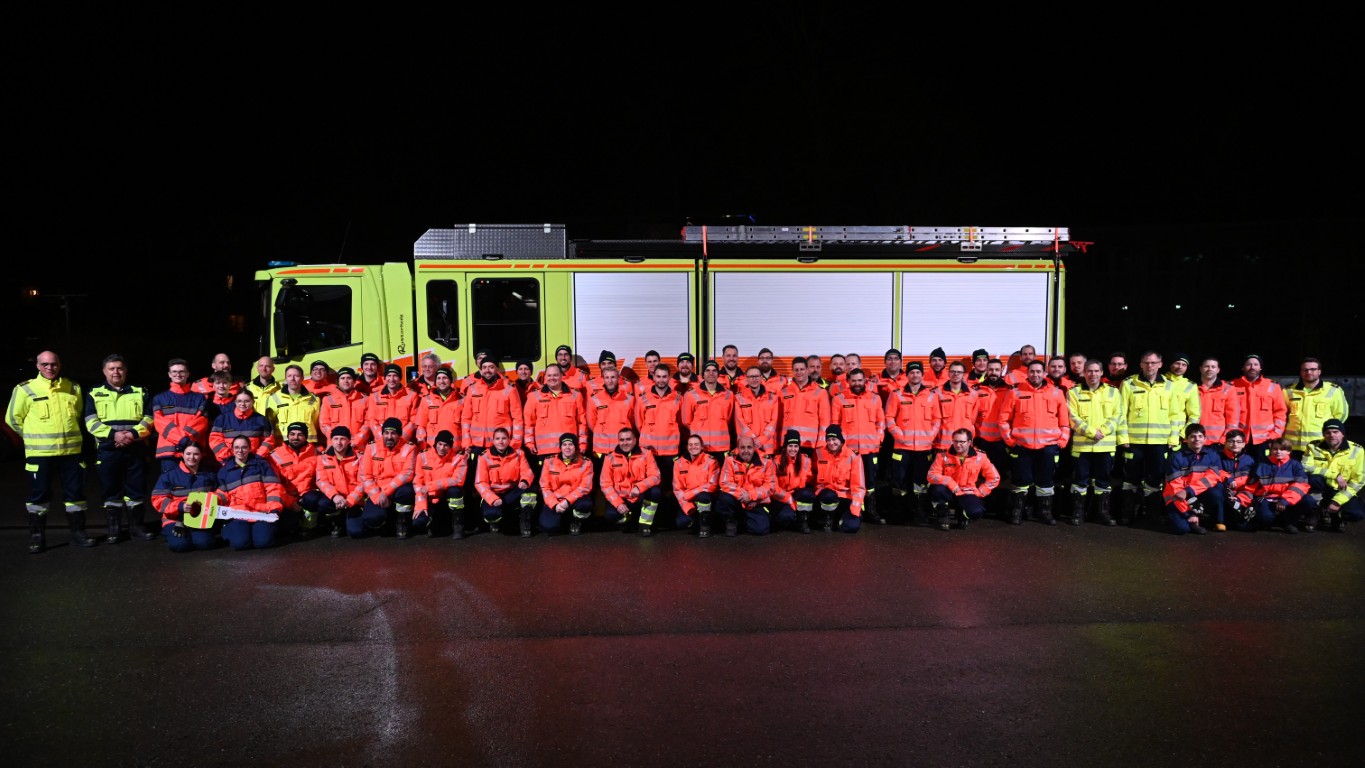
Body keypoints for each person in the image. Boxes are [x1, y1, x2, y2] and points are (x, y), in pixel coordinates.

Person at [8, 350, 95, 552]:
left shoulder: (73, 387)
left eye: (53, 364)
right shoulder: (25, 389)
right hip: (40, 455)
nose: (50, 368)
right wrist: (32, 436)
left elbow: (78, 413)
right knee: (39, 496)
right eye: (45, 364)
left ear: (60, 365)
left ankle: (78, 534)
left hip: (71, 453)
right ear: (37, 366)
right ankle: (37, 538)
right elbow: (13, 420)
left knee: (76, 495)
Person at [83, 352, 156, 544]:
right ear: (104, 371)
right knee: (110, 491)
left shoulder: (140, 391)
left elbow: (149, 418)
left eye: (120, 368)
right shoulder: (94, 392)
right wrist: (114, 435)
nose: (116, 372)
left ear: (126, 371)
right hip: (108, 450)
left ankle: (137, 527)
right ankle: (114, 530)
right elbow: (90, 422)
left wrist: (131, 434)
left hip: (136, 449)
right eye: (112, 368)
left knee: (136, 490)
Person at [1000, 360, 1071, 525]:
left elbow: (1064, 422)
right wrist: (1010, 441)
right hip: (1022, 446)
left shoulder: (1056, 393)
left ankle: (1044, 513)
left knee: (1045, 481)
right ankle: (1017, 512)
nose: (1035, 374)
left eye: (1039, 371)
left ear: (1045, 373)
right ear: (1027, 373)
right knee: (1020, 481)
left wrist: (1062, 442)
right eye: (1032, 371)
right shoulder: (1015, 392)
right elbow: (1003, 420)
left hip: (1048, 447)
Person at [1116, 351, 1180, 526]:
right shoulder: (1129, 383)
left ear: (1160, 364)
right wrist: (1123, 437)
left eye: (1153, 363)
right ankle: (1128, 515)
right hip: (1134, 443)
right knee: (1130, 480)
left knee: (1155, 480)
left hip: (1159, 443)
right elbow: (1120, 413)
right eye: (1146, 363)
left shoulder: (1169, 385)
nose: (1150, 366)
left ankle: (1151, 515)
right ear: (1141, 364)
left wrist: (1174, 438)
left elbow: (1176, 415)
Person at [883, 360, 941, 523]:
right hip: (902, 447)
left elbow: (937, 419)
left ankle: (919, 513)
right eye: (911, 372)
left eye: (918, 372)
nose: (915, 375)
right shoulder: (897, 394)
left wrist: (931, 436)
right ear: (906, 375)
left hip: (924, 448)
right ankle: (899, 513)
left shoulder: (931, 395)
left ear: (922, 375)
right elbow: (889, 417)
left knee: (920, 482)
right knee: (898, 481)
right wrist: (898, 435)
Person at [1066, 359, 1121, 526]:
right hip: (1082, 446)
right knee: (1080, 481)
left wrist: (1102, 431)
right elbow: (1072, 417)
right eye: (1089, 371)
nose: (1093, 374)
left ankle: (1102, 513)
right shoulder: (1074, 392)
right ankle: (1078, 513)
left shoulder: (1113, 392)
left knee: (1103, 482)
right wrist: (1091, 432)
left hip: (1105, 446)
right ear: (1084, 373)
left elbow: (1117, 415)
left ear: (1102, 373)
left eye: (1096, 371)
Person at [830, 367, 886, 524]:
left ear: (865, 381)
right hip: (849, 451)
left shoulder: (875, 398)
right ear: (848, 382)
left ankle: (871, 511)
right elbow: (835, 425)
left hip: (870, 449)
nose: (857, 383)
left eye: (860, 380)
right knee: (851, 483)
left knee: (870, 483)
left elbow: (880, 422)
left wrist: (878, 439)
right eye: (853, 380)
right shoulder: (839, 399)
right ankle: (855, 512)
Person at [217, 435, 286, 550]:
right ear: (232, 449)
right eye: (237, 447)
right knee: (240, 543)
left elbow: (274, 488)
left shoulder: (261, 465)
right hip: (238, 513)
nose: (240, 450)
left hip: (261, 512)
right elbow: (222, 494)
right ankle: (228, 528)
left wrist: (274, 509)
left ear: (250, 448)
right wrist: (211, 500)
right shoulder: (224, 471)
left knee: (263, 543)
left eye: (244, 447)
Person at [926, 428, 1001, 530]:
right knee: (937, 489)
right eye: (955, 441)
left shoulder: (980, 457)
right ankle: (943, 514)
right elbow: (931, 475)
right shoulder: (942, 456)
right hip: (948, 491)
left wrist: (980, 492)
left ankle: (962, 514)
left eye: (962, 441)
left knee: (976, 512)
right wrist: (949, 481)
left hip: (967, 492)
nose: (958, 444)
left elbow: (994, 478)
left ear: (969, 442)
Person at [637, 363, 684, 523]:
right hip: (650, 454)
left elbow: (682, 422)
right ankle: (650, 520)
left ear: (669, 378)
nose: (661, 380)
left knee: (669, 487)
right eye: (658, 376)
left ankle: (667, 519)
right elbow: (638, 422)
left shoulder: (678, 398)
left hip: (670, 453)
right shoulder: (643, 398)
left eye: (665, 377)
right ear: (654, 377)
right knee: (651, 488)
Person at [523, 363, 588, 478]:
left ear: (561, 376)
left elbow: (581, 422)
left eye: (555, 375)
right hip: (544, 450)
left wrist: (582, 443)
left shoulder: (575, 396)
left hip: (568, 449)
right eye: (549, 375)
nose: (552, 378)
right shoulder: (534, 396)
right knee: (546, 483)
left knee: (568, 481)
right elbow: (529, 422)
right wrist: (529, 442)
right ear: (545, 377)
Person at [152, 443, 220, 552]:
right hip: (175, 517)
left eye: (196, 454)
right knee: (180, 546)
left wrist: (206, 501)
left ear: (201, 455)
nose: (192, 457)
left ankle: (193, 532)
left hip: (200, 516)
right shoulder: (169, 476)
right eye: (188, 454)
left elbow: (219, 494)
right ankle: (168, 531)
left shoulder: (209, 475)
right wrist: (180, 507)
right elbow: (158, 499)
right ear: (182, 455)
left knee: (204, 544)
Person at [359, 417, 419, 538]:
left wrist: (386, 492)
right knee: (372, 519)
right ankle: (388, 520)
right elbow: (366, 476)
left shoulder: (410, 448)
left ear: (400, 435)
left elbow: (407, 473)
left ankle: (402, 522)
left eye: (393, 433)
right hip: (378, 491)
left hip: (397, 489)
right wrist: (377, 496)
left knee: (406, 491)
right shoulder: (371, 448)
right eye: (386, 433)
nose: (389, 436)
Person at [475, 425, 538, 537]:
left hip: (513, 492)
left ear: (509, 440)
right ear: (493, 441)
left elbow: (527, 471)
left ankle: (525, 524)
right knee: (492, 514)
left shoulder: (518, 453)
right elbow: (480, 483)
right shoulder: (484, 457)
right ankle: (496, 522)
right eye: (498, 438)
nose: (501, 442)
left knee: (530, 492)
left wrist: (524, 481)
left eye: (504, 438)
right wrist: (493, 499)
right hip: (494, 494)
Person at [1244, 437, 1316, 534]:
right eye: (1275, 449)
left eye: (1282, 449)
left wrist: (1285, 500)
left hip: (1287, 500)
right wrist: (1245, 501)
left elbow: (1301, 485)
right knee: (1265, 518)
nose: (1278, 452)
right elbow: (1251, 486)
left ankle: (1287, 522)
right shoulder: (1262, 464)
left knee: (1309, 501)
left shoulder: (1295, 465)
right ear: (1271, 450)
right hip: (1267, 497)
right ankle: (1279, 521)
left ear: (1289, 451)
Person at [599, 426, 662, 535]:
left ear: (634, 440)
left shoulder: (646, 454)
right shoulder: (610, 458)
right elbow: (605, 484)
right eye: (621, 440)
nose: (625, 443)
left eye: (628, 439)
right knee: (610, 515)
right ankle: (628, 521)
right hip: (622, 499)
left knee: (655, 492)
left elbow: (655, 476)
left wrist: (639, 487)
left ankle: (644, 525)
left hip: (639, 497)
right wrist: (618, 503)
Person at [1303, 418, 1362, 532]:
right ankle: (1314, 511)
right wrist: (1334, 475)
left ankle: (1337, 515)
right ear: (1324, 434)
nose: (1331, 435)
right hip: (1321, 487)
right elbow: (1305, 466)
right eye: (1327, 432)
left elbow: (1358, 481)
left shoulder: (1357, 450)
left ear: (1343, 434)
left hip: (1341, 489)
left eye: (1336, 432)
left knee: (1356, 513)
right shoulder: (1313, 446)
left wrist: (1337, 501)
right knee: (1313, 479)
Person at [152, 358, 210, 473]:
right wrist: (183, 440)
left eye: (182, 371)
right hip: (169, 453)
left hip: (193, 453)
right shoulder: (159, 398)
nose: (178, 374)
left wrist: (185, 442)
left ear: (188, 374)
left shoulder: (199, 398)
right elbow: (159, 423)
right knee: (171, 489)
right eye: (174, 371)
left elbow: (202, 422)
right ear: (169, 374)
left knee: (195, 488)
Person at [1161, 424, 1221, 535]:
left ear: (1205, 439)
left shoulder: (1212, 455)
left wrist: (1189, 491)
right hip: (1176, 497)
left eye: (1200, 436)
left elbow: (1212, 478)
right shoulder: (1176, 457)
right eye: (1193, 436)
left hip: (1194, 493)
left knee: (1217, 493)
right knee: (1181, 529)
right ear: (1186, 439)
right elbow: (1176, 490)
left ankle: (1202, 517)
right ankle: (1182, 517)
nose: (1197, 439)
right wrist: (1189, 513)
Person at [972, 358, 1012, 520]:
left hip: (1001, 441)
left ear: (1001, 370)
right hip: (982, 441)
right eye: (991, 369)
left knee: (1001, 475)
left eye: (997, 369)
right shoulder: (976, 390)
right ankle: (983, 506)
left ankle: (1001, 508)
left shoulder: (1010, 390)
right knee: (981, 475)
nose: (993, 372)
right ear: (986, 371)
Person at [461, 355, 524, 459]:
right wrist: (467, 443)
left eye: (491, 367)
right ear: (480, 370)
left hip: (500, 445)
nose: (487, 370)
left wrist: (515, 444)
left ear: (497, 369)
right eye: (484, 367)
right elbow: (466, 418)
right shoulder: (472, 389)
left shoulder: (509, 388)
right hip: (477, 445)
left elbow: (517, 419)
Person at [1284, 357, 1349, 456]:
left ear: (1319, 371)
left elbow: (1341, 416)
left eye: (1313, 369)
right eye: (1305, 370)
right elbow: (1281, 416)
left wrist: (1331, 435)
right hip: (1292, 446)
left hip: (1320, 445)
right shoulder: (1287, 391)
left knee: (1317, 471)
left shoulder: (1333, 390)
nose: (1309, 372)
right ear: (1301, 372)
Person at [269, 422, 324, 536]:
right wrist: (289, 502)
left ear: (305, 436)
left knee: (313, 499)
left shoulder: (316, 452)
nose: (295, 437)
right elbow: (275, 484)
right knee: (288, 527)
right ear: (288, 436)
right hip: (287, 497)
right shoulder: (275, 455)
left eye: (300, 435)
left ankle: (309, 526)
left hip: (307, 494)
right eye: (292, 434)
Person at [716, 435, 777, 536]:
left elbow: (771, 485)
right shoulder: (730, 459)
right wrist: (745, 496)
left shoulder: (766, 461)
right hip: (738, 499)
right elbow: (725, 482)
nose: (746, 451)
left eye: (749, 447)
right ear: (738, 448)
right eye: (742, 447)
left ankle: (744, 521)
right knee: (724, 499)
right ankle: (732, 521)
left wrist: (751, 496)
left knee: (760, 530)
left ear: (754, 448)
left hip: (756, 501)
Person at [414, 429, 469, 538]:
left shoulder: (459, 459)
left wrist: (431, 486)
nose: (442, 448)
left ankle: (458, 526)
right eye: (439, 444)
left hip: (445, 498)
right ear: (435, 443)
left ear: (451, 446)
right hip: (429, 499)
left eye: (446, 445)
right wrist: (421, 505)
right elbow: (417, 482)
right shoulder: (422, 457)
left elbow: (457, 480)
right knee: (418, 523)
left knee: (455, 491)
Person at [1232, 354, 1286, 463]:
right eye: (1249, 364)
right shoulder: (1232, 385)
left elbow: (1280, 412)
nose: (1252, 367)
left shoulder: (1273, 386)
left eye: (1256, 364)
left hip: (1265, 440)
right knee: (1241, 470)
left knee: (1263, 470)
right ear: (1243, 368)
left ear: (1260, 367)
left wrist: (1275, 435)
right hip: (1240, 439)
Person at [537, 432, 595, 536]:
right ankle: (563, 520)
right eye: (564, 444)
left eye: (570, 444)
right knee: (549, 527)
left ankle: (576, 521)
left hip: (575, 500)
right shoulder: (549, 461)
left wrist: (567, 501)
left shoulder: (587, 462)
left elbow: (585, 487)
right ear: (560, 447)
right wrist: (554, 505)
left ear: (576, 446)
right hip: (556, 500)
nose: (567, 447)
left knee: (585, 505)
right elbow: (544, 486)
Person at [587, 367, 635, 486]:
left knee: (622, 481)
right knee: (602, 482)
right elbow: (591, 423)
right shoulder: (594, 399)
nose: (610, 380)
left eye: (613, 377)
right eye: (607, 377)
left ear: (618, 379)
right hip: (601, 451)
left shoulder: (629, 399)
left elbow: (633, 421)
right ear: (603, 379)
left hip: (622, 448)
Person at [315, 426, 365, 539]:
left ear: (349, 441)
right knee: (323, 503)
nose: (339, 442)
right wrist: (334, 496)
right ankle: (336, 522)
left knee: (356, 532)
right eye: (336, 439)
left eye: (342, 439)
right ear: (331, 440)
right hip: (336, 499)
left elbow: (362, 482)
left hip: (354, 501)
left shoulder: (360, 458)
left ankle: (350, 517)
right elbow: (321, 481)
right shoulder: (323, 458)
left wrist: (350, 500)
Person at [681, 359, 735, 462]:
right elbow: (686, 421)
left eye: (714, 370)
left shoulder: (729, 395)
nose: (711, 373)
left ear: (718, 374)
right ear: (702, 375)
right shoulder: (691, 395)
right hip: (700, 448)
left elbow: (729, 420)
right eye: (707, 370)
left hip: (721, 448)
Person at [814, 424, 864, 533]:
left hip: (844, 498)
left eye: (834, 439)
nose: (831, 443)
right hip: (827, 497)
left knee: (852, 527)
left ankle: (840, 518)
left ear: (841, 440)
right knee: (828, 495)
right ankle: (828, 518)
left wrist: (855, 510)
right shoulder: (819, 453)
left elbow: (858, 487)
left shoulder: (853, 457)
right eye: (828, 440)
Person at [208, 390, 276, 466]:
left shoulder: (262, 420)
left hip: (254, 463)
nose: (242, 404)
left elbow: (269, 441)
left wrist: (258, 457)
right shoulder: (222, 419)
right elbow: (215, 440)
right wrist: (228, 458)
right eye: (239, 401)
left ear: (253, 402)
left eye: (246, 401)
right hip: (228, 463)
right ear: (235, 402)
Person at [779, 356, 830, 455]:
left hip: (809, 444)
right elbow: (779, 420)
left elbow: (825, 421)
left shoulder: (820, 392)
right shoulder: (784, 392)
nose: (799, 372)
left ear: (807, 370)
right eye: (796, 370)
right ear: (792, 371)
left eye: (802, 369)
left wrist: (822, 442)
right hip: (788, 443)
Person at [673, 433, 720, 535]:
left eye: (696, 444)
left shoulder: (711, 461)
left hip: (705, 498)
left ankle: (705, 525)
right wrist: (687, 506)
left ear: (702, 447)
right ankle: (696, 519)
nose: (693, 447)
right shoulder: (679, 463)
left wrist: (691, 493)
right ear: (687, 446)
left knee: (703, 497)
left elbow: (712, 485)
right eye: (690, 444)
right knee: (681, 523)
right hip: (688, 501)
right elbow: (677, 489)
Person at [770, 429, 816, 534]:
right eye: (790, 446)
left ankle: (803, 519)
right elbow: (774, 487)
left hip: (797, 494)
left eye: (796, 446)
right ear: (785, 447)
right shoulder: (776, 461)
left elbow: (809, 481)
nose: (793, 449)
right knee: (785, 517)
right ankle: (792, 519)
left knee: (807, 494)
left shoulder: (806, 461)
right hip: (781, 497)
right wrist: (789, 499)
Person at [263, 364, 321, 444]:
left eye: (296, 376)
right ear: (286, 378)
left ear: (302, 378)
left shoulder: (314, 399)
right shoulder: (274, 398)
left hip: (308, 445)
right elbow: (270, 424)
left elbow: (316, 423)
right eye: (289, 376)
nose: (292, 379)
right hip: (283, 445)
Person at [319, 366, 372, 451]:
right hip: (335, 448)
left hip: (357, 447)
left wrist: (357, 440)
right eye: (342, 378)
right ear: (338, 382)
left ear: (354, 381)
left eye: (349, 378)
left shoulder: (365, 399)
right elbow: (324, 424)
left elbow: (368, 423)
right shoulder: (328, 400)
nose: (346, 381)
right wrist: (336, 439)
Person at [367, 363, 420, 446]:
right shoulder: (374, 396)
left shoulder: (412, 395)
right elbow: (372, 420)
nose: (391, 379)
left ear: (400, 378)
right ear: (385, 378)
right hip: (381, 443)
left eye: (395, 375)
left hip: (403, 443)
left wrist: (401, 438)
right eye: (389, 375)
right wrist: (382, 438)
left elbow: (413, 421)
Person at [734, 365, 780, 459]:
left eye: (756, 376)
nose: (754, 379)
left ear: (761, 378)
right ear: (746, 379)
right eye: (751, 376)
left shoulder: (773, 398)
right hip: (746, 447)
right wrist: (753, 440)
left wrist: (761, 440)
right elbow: (740, 422)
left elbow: (774, 421)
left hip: (767, 447)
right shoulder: (739, 398)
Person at [934, 361, 980, 454]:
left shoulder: (973, 394)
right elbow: (934, 418)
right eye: (953, 371)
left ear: (963, 375)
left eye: (959, 372)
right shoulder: (937, 393)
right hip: (943, 443)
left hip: (964, 444)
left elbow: (973, 419)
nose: (956, 374)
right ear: (948, 373)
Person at [413, 366, 462, 451]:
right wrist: (422, 444)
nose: (441, 381)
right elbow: (421, 426)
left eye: (445, 378)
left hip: (455, 451)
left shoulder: (461, 400)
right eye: (438, 378)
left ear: (450, 380)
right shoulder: (426, 400)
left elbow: (466, 426)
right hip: (432, 450)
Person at [1215, 429, 1255, 533]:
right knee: (1218, 492)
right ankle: (1223, 521)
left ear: (1244, 444)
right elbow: (1216, 472)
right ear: (1225, 443)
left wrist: (1238, 494)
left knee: (1244, 499)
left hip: (1242, 490)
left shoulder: (1249, 460)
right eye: (1231, 441)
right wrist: (1229, 480)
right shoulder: (1218, 457)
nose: (1235, 444)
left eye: (1238, 442)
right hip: (1225, 489)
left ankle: (1241, 518)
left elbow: (1250, 479)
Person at [1196, 357, 1241, 448]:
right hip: (1195, 440)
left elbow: (1233, 418)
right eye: (1207, 366)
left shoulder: (1228, 389)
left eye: (1213, 367)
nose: (1210, 369)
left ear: (1218, 370)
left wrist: (1226, 439)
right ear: (1201, 369)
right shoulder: (1192, 388)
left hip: (1218, 442)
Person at [1163, 353, 1201, 439]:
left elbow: (1194, 415)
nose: (1180, 367)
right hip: (1158, 431)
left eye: (1184, 365)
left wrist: (1183, 434)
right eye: (1177, 363)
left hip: (1178, 434)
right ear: (1170, 364)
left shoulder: (1190, 385)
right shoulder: (1159, 381)